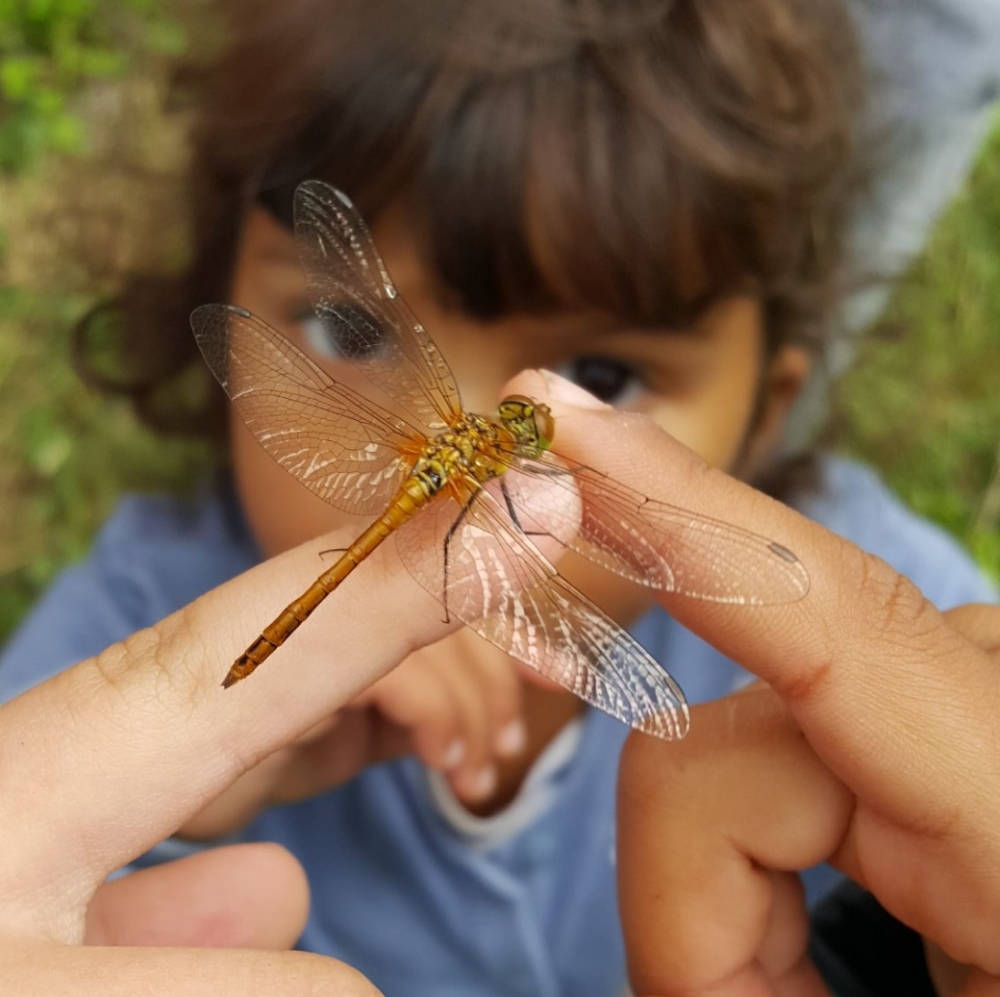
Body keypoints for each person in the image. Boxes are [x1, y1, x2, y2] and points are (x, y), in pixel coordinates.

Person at [0, 0, 995, 993]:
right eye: (350, 331)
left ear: (767, 410)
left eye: (599, 379)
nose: (506, 407)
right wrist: (188, 804)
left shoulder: (876, 596)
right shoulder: (135, 605)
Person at [3, 373, 999, 995]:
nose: (512, 386)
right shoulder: (146, 578)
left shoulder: (891, 569)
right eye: (340, 329)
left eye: (601, 373)